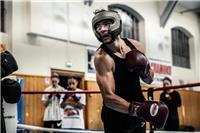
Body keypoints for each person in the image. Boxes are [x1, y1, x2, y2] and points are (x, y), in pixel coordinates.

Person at [92, 9, 169, 133]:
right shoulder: (102, 57)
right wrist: (137, 109)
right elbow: (108, 98)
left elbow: (149, 79)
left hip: (138, 114)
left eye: (106, 24)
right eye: (98, 27)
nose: (101, 29)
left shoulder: (136, 46)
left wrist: (144, 70)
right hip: (116, 116)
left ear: (117, 23)